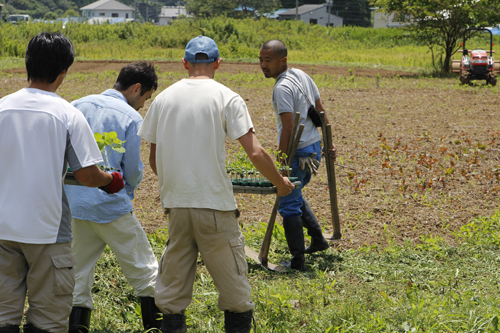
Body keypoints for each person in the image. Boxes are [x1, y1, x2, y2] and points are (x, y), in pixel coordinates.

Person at [138, 36, 294, 333]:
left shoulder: (163, 100)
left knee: (171, 293)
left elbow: (155, 161)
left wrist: (181, 183)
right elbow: (256, 152)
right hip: (215, 209)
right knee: (235, 291)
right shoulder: (227, 97)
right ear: (218, 64)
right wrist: (280, 183)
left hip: (177, 207)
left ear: (185, 63)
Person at [0, 32, 124, 333]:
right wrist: (111, 181)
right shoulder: (67, 114)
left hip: (2, 229)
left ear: (27, 64)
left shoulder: (2, 107)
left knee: (3, 316)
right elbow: (86, 175)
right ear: (64, 70)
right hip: (48, 231)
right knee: (48, 319)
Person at [64, 62, 161, 333]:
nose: (143, 105)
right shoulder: (130, 117)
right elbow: (131, 169)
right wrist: (128, 190)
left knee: (77, 274)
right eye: (145, 98)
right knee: (145, 269)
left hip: (74, 204)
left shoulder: (76, 105)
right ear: (136, 89)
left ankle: (76, 328)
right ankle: (156, 327)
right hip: (110, 206)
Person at [259, 39, 337, 272]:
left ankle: (297, 262)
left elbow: (289, 127)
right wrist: (328, 144)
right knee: (294, 192)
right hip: (313, 149)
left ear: (283, 61)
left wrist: (281, 164)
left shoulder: (282, 87)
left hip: (298, 152)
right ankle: (319, 240)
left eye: (268, 60)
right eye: (261, 60)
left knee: (289, 203)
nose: (263, 65)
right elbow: (321, 112)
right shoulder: (302, 75)